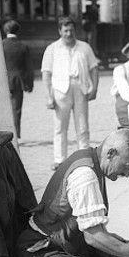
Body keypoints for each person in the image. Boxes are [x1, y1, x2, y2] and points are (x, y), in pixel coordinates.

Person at [42, 17, 99, 170]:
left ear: (75, 31)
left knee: (82, 125)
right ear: (60, 31)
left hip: (80, 88)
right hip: (60, 91)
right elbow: (46, 73)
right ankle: (60, 159)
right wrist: (49, 96)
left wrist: (94, 88)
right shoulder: (52, 49)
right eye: (65, 30)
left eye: (71, 30)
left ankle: (84, 157)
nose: (69, 33)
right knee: (60, 126)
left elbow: (94, 68)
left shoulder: (84, 47)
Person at [1, 20, 34, 139]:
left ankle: (4, 135)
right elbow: (29, 67)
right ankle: (16, 135)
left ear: (5, 31)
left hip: (3, 81)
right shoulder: (23, 46)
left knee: (3, 109)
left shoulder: (1, 45)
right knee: (16, 110)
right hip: (18, 82)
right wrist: (29, 84)